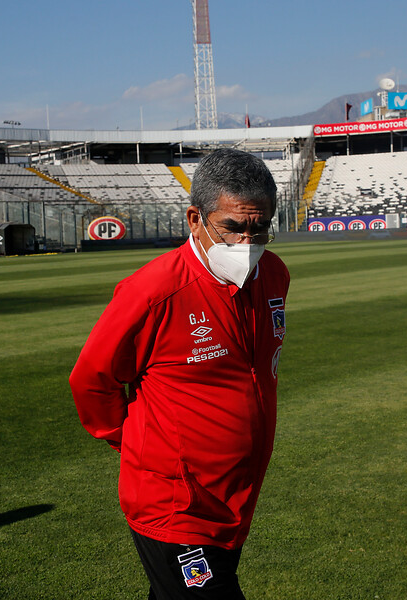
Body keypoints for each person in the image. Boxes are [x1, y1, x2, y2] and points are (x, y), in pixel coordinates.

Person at [70, 148, 289, 599]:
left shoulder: (274, 274)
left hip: (235, 494)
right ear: (195, 219)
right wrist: (133, 442)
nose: (247, 242)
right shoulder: (153, 291)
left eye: (260, 228)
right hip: (174, 503)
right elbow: (92, 379)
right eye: (233, 227)